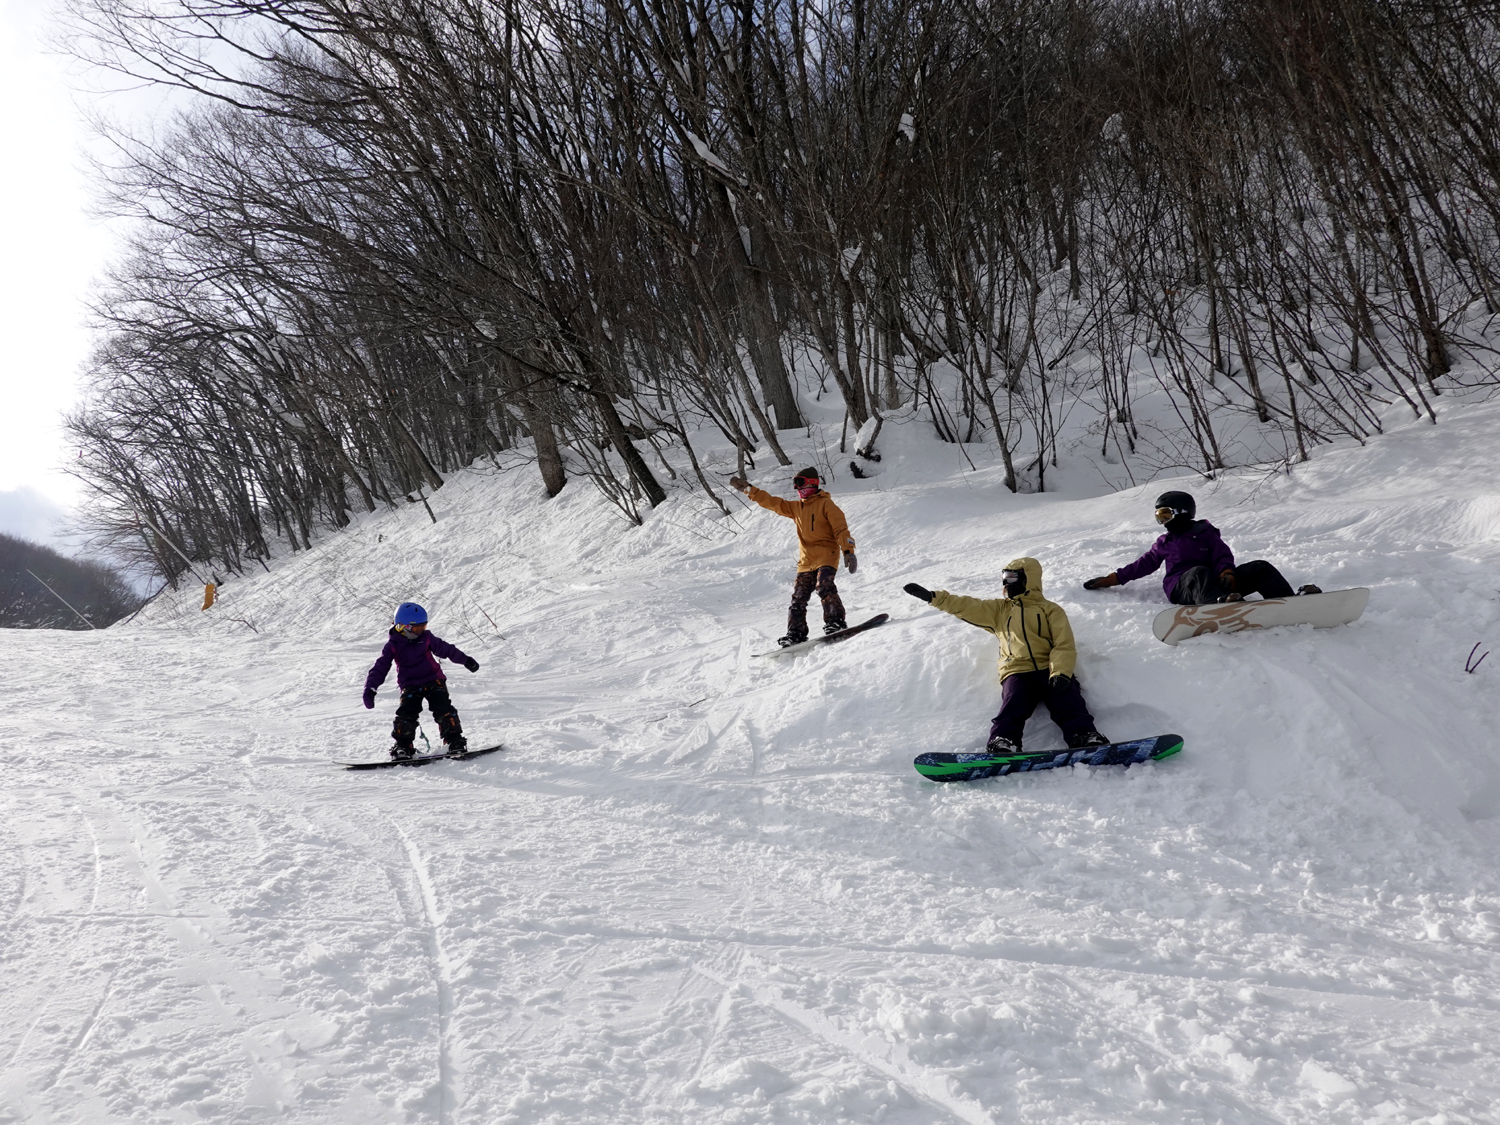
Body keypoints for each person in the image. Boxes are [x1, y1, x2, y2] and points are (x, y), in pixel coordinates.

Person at [904, 558, 1109, 754]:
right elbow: (967, 606)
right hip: (1016, 670)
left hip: (1049, 668)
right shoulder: (1000, 610)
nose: (1006, 583)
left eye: (1012, 577)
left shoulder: (1050, 610)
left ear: (1028, 578)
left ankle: (1084, 735)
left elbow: (1063, 644)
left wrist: (1061, 673)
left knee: (1067, 699)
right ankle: (1004, 741)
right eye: (1005, 578)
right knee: (1013, 703)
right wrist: (934, 598)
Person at [1082, 490, 1322, 605]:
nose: (1162, 521)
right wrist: (1111, 579)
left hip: (1216, 583)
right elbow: (1141, 566)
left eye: (1165, 514)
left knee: (1260, 567)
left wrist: (1227, 572)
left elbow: (1222, 554)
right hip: (1182, 588)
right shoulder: (1164, 542)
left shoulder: (1204, 533)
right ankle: (1218, 605)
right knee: (1199, 571)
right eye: (1159, 516)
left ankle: (1290, 603)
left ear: (1182, 512)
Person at [729, 466, 857, 646]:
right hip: (806, 560)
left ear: (813, 484)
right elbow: (772, 502)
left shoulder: (826, 505)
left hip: (827, 555)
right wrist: (748, 489)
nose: (798, 489)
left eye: (801, 484)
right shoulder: (796, 507)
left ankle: (835, 622)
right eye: (795, 485)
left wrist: (848, 551)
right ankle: (796, 633)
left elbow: (841, 529)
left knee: (824, 586)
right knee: (798, 597)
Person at [363, 601, 481, 759]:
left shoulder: (426, 638)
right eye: (418, 628)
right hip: (410, 684)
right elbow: (381, 667)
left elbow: (446, 649)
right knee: (406, 712)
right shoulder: (393, 645)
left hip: (434, 680)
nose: (422, 631)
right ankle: (403, 746)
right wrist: (371, 688)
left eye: (423, 626)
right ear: (403, 627)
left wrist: (465, 660)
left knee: (443, 707)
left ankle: (454, 741)